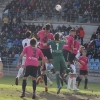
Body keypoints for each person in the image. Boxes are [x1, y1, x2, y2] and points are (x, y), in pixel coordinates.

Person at [37, 23, 54, 92]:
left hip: (41, 49)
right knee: (53, 61)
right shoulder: (51, 34)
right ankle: (46, 85)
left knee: (38, 65)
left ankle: (39, 76)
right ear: (50, 28)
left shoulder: (41, 32)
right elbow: (53, 41)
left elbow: (38, 35)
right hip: (47, 49)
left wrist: (41, 39)